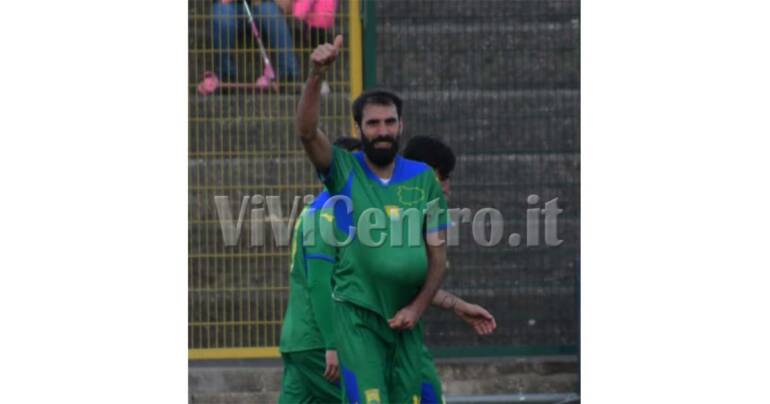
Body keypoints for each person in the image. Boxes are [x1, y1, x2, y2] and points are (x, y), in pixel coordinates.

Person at [278, 136, 496, 403]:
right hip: (331, 340)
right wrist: (332, 344)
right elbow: (320, 284)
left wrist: (456, 305)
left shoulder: (353, 214)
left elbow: (393, 279)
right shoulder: (332, 214)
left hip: (303, 339)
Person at [297, 34, 450, 403]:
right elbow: (306, 132)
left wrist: (417, 308)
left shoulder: (423, 179)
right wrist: (316, 76)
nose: (383, 131)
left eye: (389, 122)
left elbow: (438, 258)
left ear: (401, 125)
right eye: (373, 123)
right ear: (358, 128)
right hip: (359, 320)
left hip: (406, 322)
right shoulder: (344, 169)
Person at [209, 0, 300, 85]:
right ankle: (226, 74)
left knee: (271, 14)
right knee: (222, 17)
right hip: (228, 5)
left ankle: (289, 73)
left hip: (260, 4)